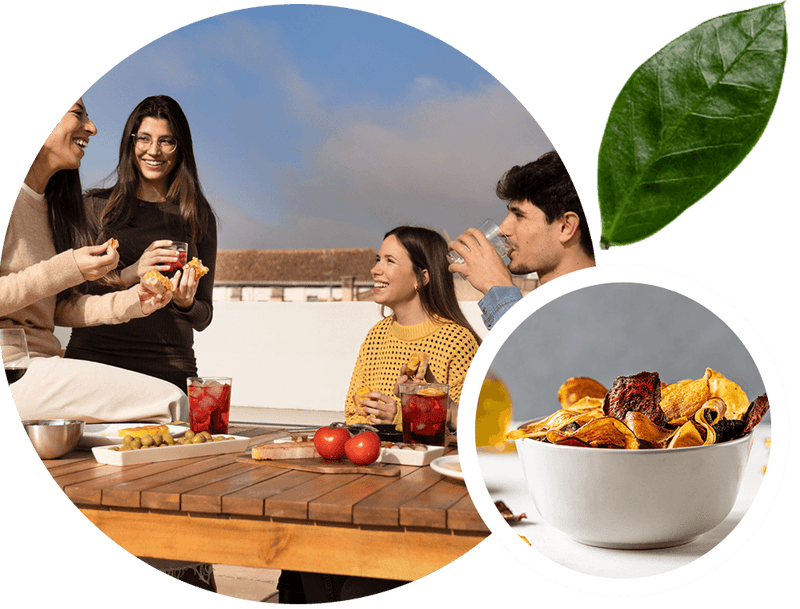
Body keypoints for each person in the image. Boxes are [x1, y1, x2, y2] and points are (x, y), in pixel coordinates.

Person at [281, 226, 480, 604]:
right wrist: (371, 416)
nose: (376, 269)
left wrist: (401, 416)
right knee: (303, 550)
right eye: (377, 259)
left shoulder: (456, 339)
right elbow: (351, 409)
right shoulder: (376, 335)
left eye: (390, 261)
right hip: (368, 483)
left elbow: (469, 430)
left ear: (422, 277)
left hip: (426, 497)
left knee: (342, 578)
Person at [1, 98, 184, 423]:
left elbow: (57, 308)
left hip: (41, 367)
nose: (92, 127)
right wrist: (68, 267)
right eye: (77, 113)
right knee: (173, 403)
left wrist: (133, 301)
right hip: (14, 370)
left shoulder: (54, 207)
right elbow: (48, 278)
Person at [64, 95, 217, 391]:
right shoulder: (94, 207)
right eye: (144, 138)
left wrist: (185, 302)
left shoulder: (197, 215)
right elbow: (71, 298)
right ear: (131, 142)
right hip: (94, 361)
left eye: (166, 141)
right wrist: (131, 273)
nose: (153, 151)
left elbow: (204, 317)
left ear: (180, 147)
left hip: (168, 368)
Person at [448, 150, 596, 330]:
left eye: (519, 215)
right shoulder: (552, 308)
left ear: (566, 227)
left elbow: (536, 346)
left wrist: (499, 288)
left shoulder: (601, 306)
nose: (503, 229)